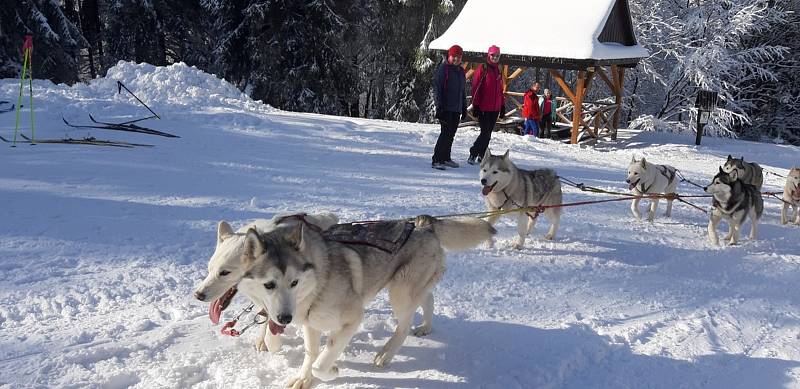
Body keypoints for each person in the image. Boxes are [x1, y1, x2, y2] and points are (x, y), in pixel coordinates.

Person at [431, 44, 468, 170]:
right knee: (445, 134)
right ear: (449, 56)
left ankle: (446, 157)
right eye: (454, 57)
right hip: (446, 108)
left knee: (451, 134)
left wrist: (464, 107)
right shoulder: (443, 69)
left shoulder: (461, 71)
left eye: (458, 57)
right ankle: (437, 159)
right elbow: (438, 89)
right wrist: (439, 107)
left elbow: (462, 91)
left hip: (456, 108)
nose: (456, 59)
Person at [467, 45, 505, 165]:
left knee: (488, 134)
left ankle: (481, 155)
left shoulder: (498, 70)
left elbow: (500, 90)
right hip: (483, 107)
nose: (494, 57)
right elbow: (476, 88)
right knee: (485, 133)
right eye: (492, 55)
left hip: (494, 108)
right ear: (488, 55)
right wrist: (476, 105)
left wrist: (502, 105)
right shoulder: (482, 69)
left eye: (497, 56)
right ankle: (473, 153)